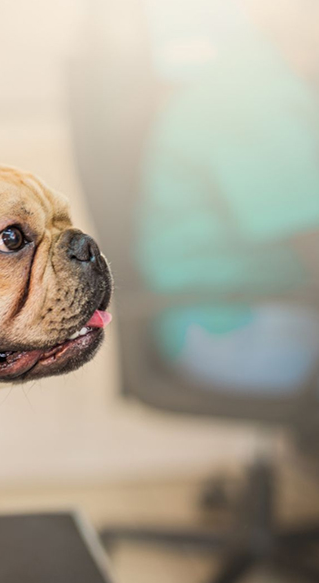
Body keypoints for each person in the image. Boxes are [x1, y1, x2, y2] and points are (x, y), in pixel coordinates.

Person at [136, 0, 319, 396]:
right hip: (231, 323)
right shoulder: (252, 96)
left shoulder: (272, 79)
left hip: (264, 301)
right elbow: (312, 241)